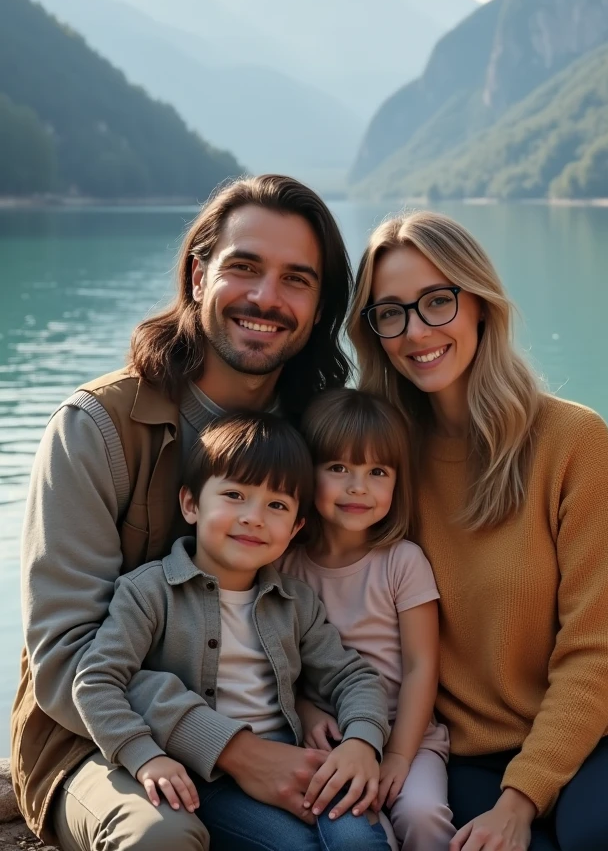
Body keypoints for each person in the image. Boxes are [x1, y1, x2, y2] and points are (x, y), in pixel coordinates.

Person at [12, 174, 352, 851]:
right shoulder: (98, 429)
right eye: (244, 268)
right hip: (100, 737)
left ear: (319, 309)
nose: (265, 298)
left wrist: (324, 716)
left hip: (280, 723)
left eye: (297, 280)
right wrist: (233, 751)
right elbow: (64, 663)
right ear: (199, 276)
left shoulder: (322, 441)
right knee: (161, 840)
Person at [348, 209, 608, 851]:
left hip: (596, 735)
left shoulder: (572, 440)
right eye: (390, 312)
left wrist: (522, 799)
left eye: (436, 302)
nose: (415, 331)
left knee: (605, 837)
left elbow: (595, 648)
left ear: (478, 303)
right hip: (468, 753)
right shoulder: (381, 465)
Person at [72, 412, 392, 851]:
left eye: (277, 505)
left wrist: (361, 741)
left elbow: (353, 676)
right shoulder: (148, 592)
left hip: (296, 755)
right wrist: (143, 756)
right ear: (191, 504)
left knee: (360, 844)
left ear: (297, 526)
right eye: (235, 495)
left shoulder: (295, 601)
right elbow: (96, 681)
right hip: (207, 774)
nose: (254, 518)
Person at [280, 387, 456, 851]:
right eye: (339, 468)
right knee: (361, 828)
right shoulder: (284, 565)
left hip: (408, 736)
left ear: (398, 483)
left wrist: (398, 755)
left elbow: (422, 666)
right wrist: (305, 710)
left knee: (422, 814)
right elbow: (277, 662)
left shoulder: (402, 561)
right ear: (307, 474)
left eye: (377, 471)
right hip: (329, 738)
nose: (358, 487)